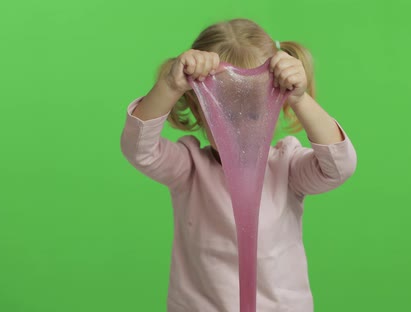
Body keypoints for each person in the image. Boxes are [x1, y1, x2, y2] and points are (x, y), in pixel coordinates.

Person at [120, 18, 357, 312]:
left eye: (255, 113)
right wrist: (169, 86)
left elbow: (339, 167)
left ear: (277, 105)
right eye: (228, 114)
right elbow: (138, 149)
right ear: (199, 109)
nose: (241, 127)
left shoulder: (287, 167)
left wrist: (300, 98)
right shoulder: (189, 168)